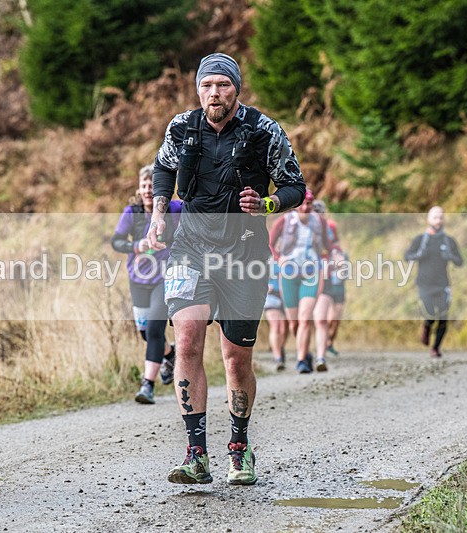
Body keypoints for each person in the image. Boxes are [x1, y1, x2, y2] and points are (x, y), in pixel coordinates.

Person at [149, 52, 306, 486]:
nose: (214, 93)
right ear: (197, 89)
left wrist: (268, 204)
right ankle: (196, 455)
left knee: (236, 359)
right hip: (190, 249)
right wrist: (160, 212)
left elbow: (296, 185)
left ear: (236, 88)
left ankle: (239, 448)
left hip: (246, 252)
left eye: (222, 85)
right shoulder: (181, 127)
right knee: (186, 342)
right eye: (206, 85)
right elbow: (163, 168)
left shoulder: (264, 131)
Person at [111, 164, 182, 404]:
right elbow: (116, 241)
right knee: (144, 332)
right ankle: (171, 355)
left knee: (154, 329)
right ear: (139, 188)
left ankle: (147, 385)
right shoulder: (132, 212)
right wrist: (135, 246)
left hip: (165, 277)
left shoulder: (174, 209)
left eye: (152, 185)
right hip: (138, 279)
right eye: (144, 185)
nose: (148, 190)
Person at [269, 190, 331, 373]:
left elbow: (328, 246)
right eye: (302, 204)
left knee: (305, 319)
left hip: (311, 273)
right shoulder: (284, 221)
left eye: (309, 204)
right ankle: (305, 351)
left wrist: (328, 257)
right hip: (288, 274)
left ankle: (302, 360)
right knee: (294, 323)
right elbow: (270, 243)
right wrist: (278, 257)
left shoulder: (319, 221)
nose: (305, 208)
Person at [404, 206, 464, 358]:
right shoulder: (420, 240)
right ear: (428, 219)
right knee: (430, 314)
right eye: (435, 217)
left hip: (443, 284)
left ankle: (435, 348)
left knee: (443, 316)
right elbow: (407, 256)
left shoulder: (449, 241)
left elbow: (459, 261)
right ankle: (426, 326)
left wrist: (450, 256)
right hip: (424, 284)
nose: (438, 220)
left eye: (441, 217)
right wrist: (418, 255)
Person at [312, 199, 346, 357]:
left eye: (320, 211)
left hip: (333, 271)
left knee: (336, 313)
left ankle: (329, 341)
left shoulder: (330, 226)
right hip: (317, 272)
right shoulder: (307, 227)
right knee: (321, 315)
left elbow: (336, 245)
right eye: (315, 211)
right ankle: (322, 344)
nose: (318, 214)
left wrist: (339, 258)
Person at [263, 262, 288, 371]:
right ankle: (278, 358)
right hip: (271, 295)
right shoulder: (262, 256)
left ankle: (279, 347)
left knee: (284, 329)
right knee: (275, 326)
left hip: (286, 296)